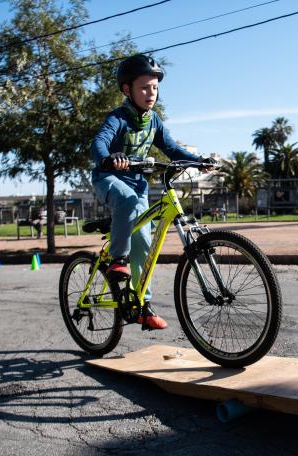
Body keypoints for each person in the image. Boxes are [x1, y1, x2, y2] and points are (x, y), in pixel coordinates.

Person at [90, 54, 214, 330]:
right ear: (127, 90)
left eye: (155, 88)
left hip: (139, 184)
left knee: (144, 245)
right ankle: (117, 260)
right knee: (128, 201)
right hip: (108, 177)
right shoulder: (118, 118)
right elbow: (99, 143)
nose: (151, 93)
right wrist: (108, 158)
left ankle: (141, 306)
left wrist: (198, 160)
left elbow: (171, 148)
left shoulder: (153, 121)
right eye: (144, 87)